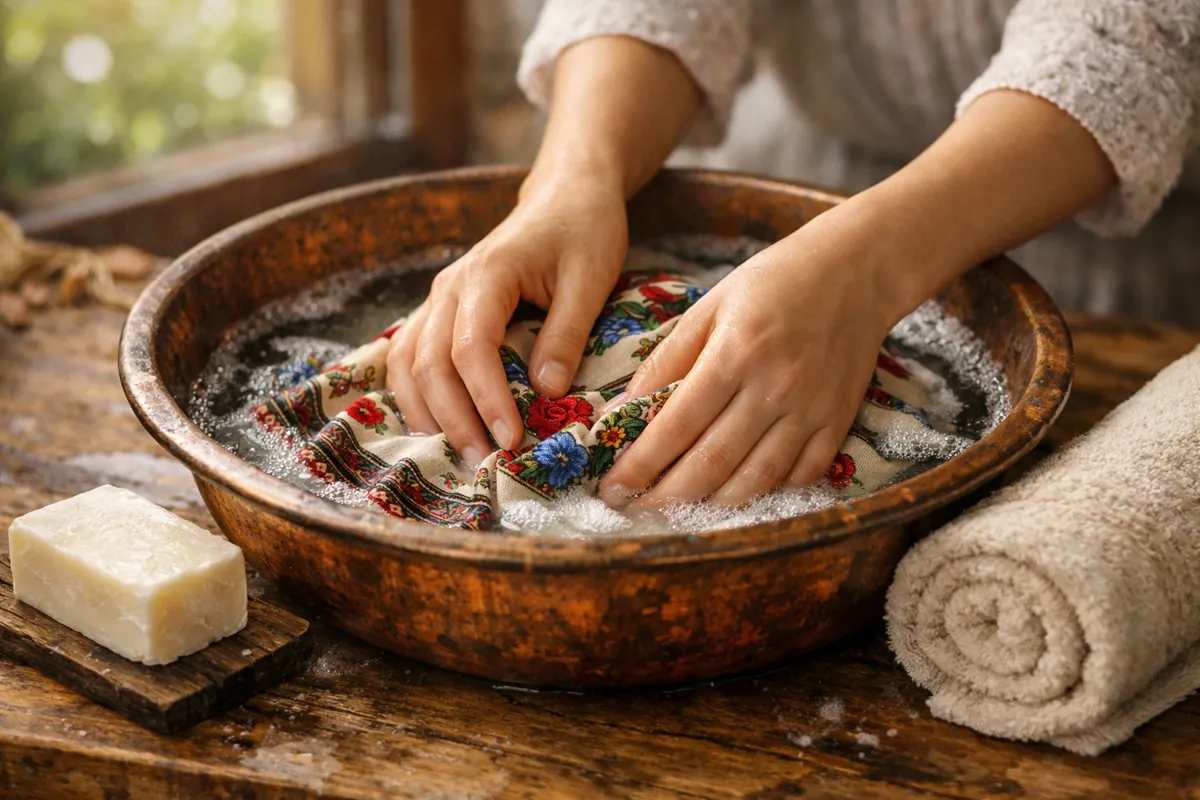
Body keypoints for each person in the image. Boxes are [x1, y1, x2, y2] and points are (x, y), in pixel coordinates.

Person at [386, 0, 1200, 509]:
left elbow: (1128, 43)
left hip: (1121, 251)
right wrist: (571, 182)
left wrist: (863, 268)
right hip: (817, 177)